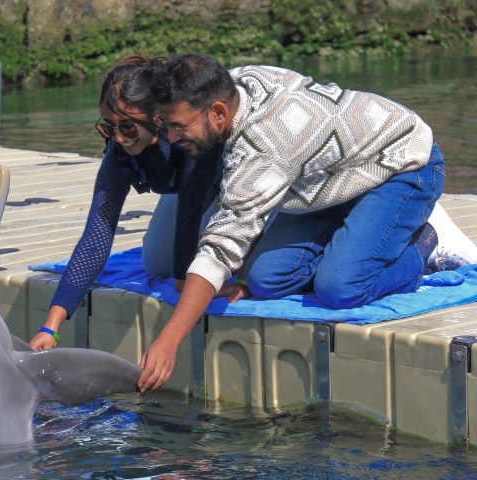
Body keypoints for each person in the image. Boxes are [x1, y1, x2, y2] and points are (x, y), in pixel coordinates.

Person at [138, 53, 477, 392]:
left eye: (178, 126)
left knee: (342, 287)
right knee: (265, 278)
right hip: (329, 179)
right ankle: (362, 235)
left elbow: (221, 247)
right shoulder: (235, 83)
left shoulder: (266, 148)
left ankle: (423, 241)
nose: (169, 137)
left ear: (218, 113)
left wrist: (169, 340)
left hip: (401, 165)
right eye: (166, 125)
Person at [29, 54, 231, 350]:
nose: (119, 138)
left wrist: (184, 277)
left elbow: (190, 208)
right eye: (109, 127)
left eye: (127, 127)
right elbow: (97, 234)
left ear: (158, 117)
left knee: (188, 272)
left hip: (231, 188)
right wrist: (52, 325)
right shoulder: (119, 149)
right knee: (155, 263)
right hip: (188, 193)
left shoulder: (186, 135)